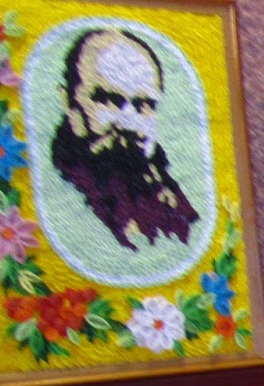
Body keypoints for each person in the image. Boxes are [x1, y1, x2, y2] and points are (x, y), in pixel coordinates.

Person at [50, 28, 198, 251]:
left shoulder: (169, 195)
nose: (129, 122)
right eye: (107, 99)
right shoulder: (61, 198)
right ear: (68, 102)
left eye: (145, 105)